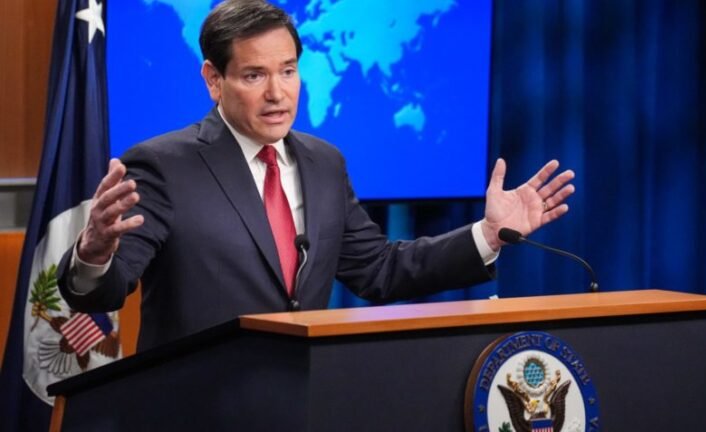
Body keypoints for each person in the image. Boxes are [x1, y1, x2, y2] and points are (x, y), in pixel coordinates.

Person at [58, 0, 575, 352]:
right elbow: (104, 291)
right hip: (199, 407)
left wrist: (487, 235)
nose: (277, 93)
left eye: (288, 70)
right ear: (214, 80)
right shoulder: (162, 165)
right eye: (254, 75)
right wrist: (94, 252)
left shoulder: (323, 163)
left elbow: (379, 270)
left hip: (302, 399)